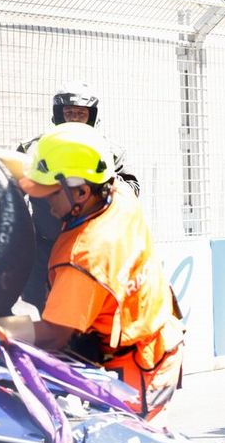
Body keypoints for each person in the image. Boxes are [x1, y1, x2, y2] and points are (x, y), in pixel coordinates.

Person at [11, 122, 184, 443]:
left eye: (51, 194)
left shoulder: (87, 254)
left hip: (134, 369)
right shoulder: (119, 198)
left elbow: (51, 336)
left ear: (81, 191)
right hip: (153, 347)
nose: (43, 203)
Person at [17, 82, 140, 312]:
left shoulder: (108, 151)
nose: (74, 119)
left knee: (87, 316)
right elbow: (12, 190)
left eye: (80, 114)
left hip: (92, 247)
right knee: (40, 310)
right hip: (44, 247)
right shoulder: (34, 149)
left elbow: (132, 189)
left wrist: (105, 181)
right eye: (69, 113)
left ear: (91, 117)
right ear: (58, 115)